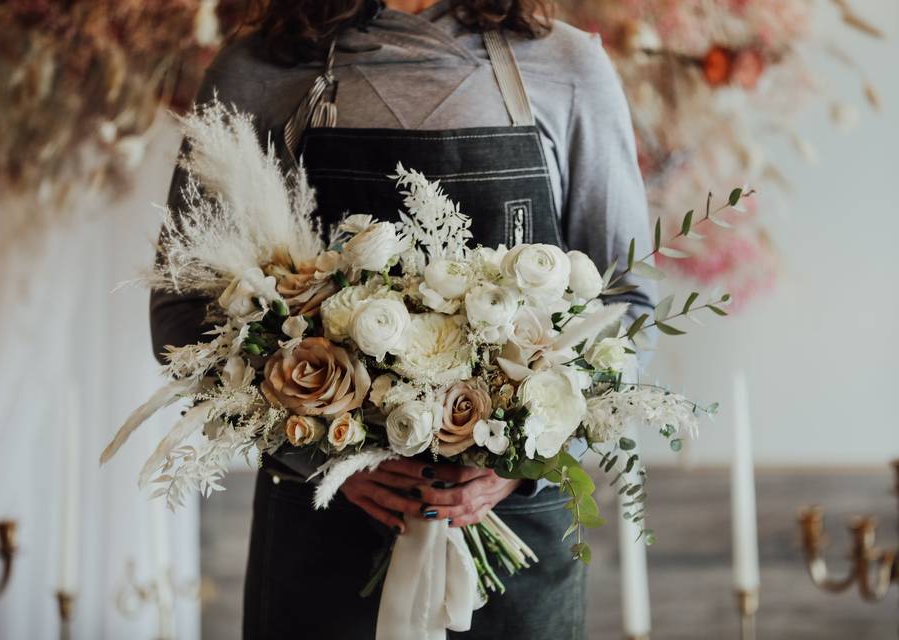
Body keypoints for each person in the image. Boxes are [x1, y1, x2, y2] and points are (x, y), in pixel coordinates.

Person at [150, 1, 655, 637]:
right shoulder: (257, 67)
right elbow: (180, 308)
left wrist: (521, 460)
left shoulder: (567, 66)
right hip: (322, 528)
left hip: (519, 530)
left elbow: (627, 305)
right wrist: (321, 457)